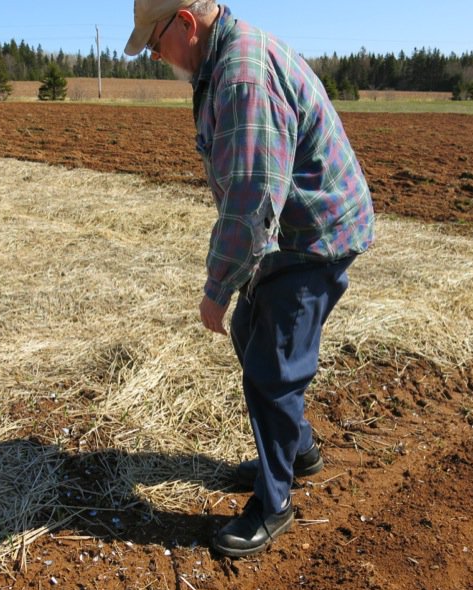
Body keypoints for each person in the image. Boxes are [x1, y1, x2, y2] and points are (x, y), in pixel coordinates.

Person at [125, 0, 375, 557]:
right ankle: (298, 448)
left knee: (273, 370)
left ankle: (274, 503)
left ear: (186, 23)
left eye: (155, 42)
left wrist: (216, 289)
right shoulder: (222, 62)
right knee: (251, 331)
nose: (155, 55)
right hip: (293, 226)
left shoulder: (242, 77)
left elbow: (252, 200)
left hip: (316, 234)